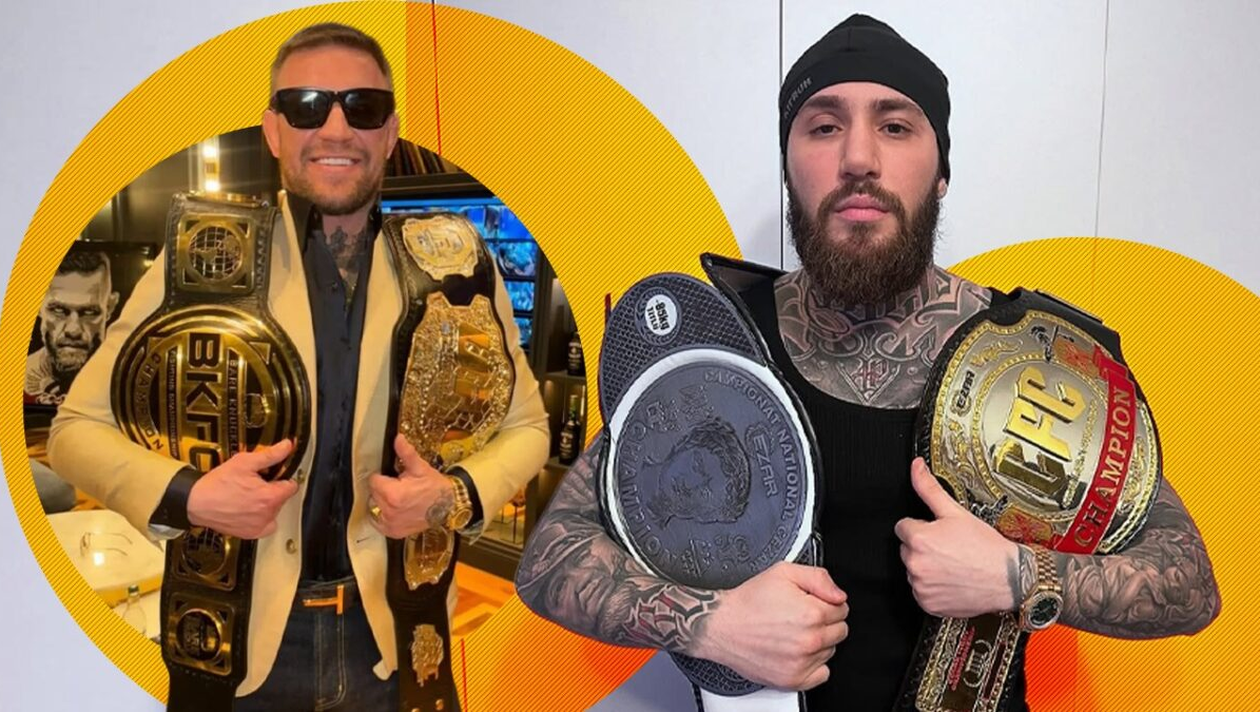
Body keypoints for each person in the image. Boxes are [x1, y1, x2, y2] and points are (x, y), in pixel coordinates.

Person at [515, 14, 1220, 710]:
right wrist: (712, 624)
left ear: (941, 171)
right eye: (824, 127)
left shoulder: (1030, 360)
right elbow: (551, 558)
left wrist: (1020, 576)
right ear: (789, 166)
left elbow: (1189, 582)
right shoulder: (724, 345)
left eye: (895, 126)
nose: (858, 157)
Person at [49, 23, 549, 711]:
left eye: (363, 107)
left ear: (390, 132)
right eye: (307, 106)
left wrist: (451, 497)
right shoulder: (201, 257)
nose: (336, 128)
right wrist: (190, 497)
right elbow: (74, 431)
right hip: (239, 644)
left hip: (396, 640)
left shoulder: (455, 262)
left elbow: (529, 428)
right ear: (274, 130)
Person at [25, 250, 118, 405]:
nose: (73, 330)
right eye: (58, 310)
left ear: (110, 307)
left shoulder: (125, 383)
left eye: (89, 312)